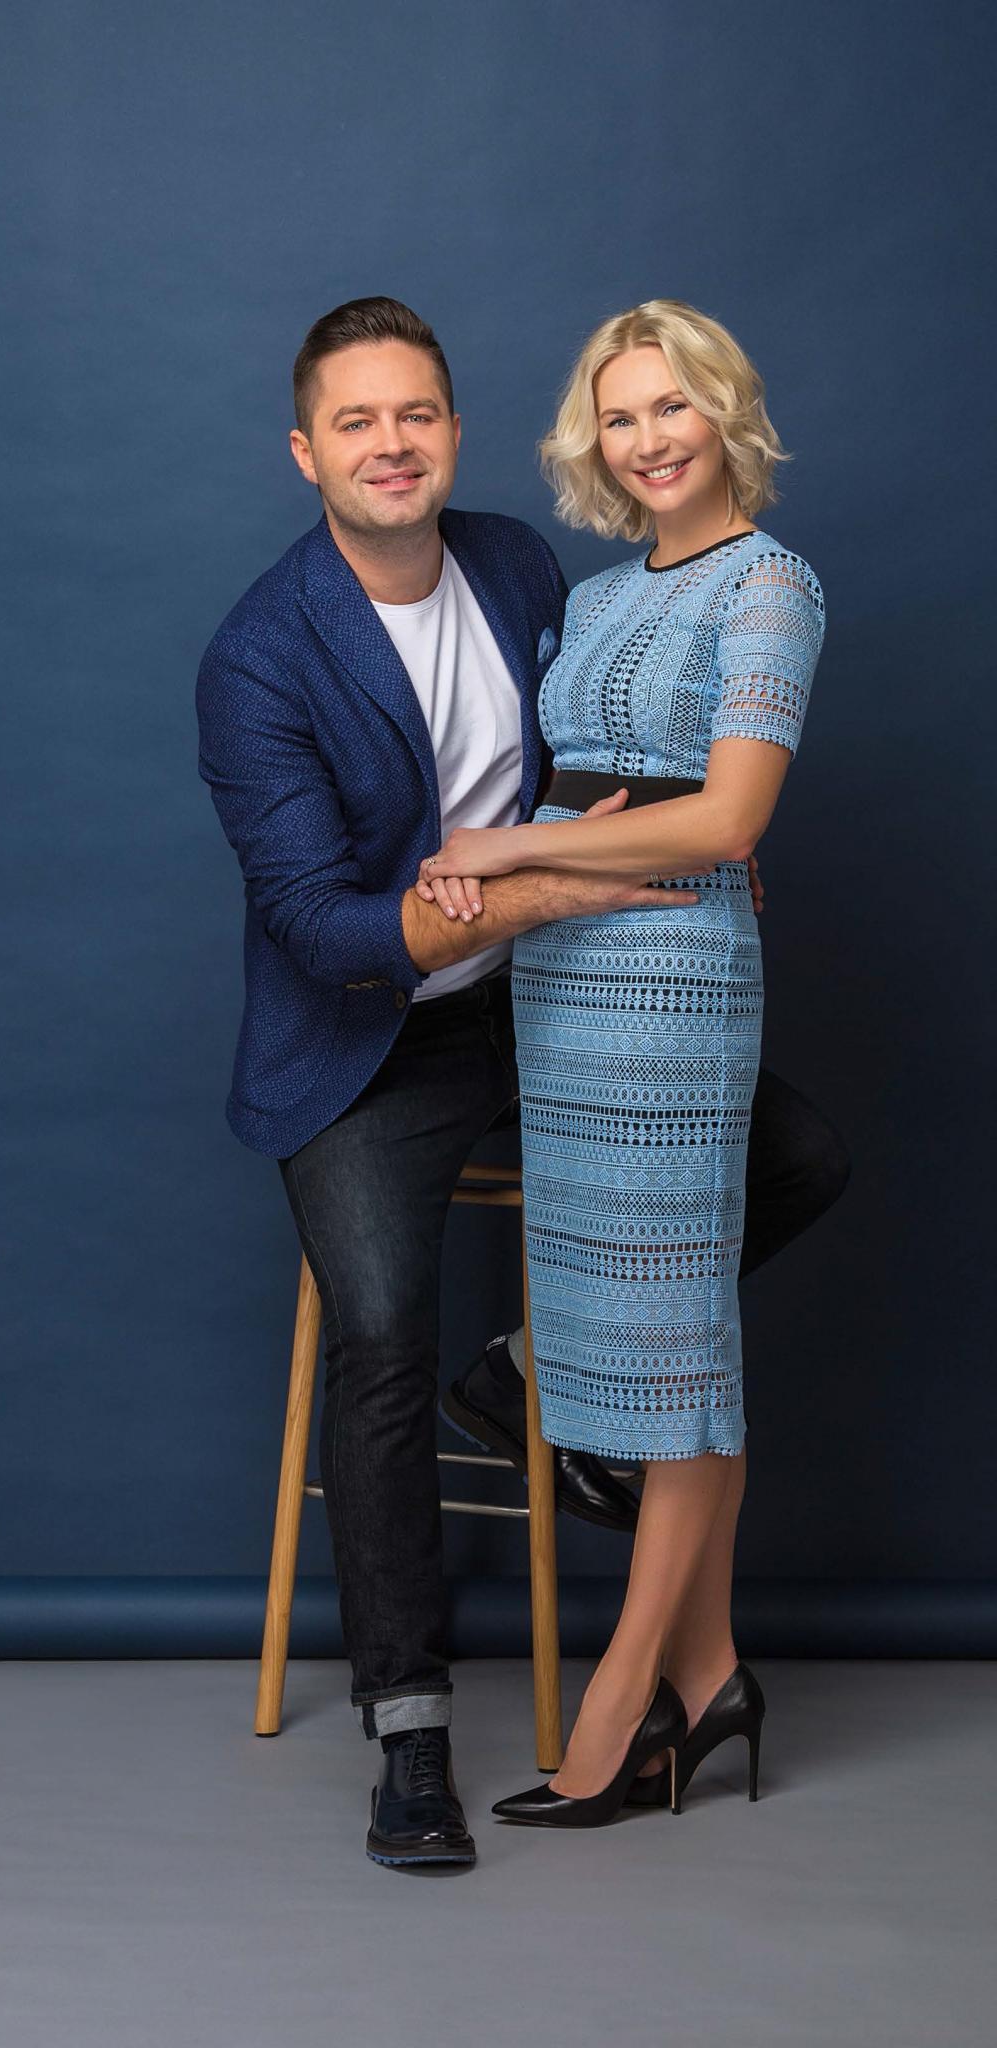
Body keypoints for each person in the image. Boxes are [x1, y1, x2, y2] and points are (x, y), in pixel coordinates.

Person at [195, 297, 847, 1867]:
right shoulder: (259, 658)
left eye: (416, 414)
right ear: (306, 453)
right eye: (356, 423)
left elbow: (644, 769)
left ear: (455, 431)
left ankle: (532, 1381)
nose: (392, 445)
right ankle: (409, 1732)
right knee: (378, 1333)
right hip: (374, 1032)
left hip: (556, 997)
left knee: (794, 1158)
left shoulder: (519, 568)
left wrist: (646, 856)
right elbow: (322, 928)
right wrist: (543, 881)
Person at [418, 299, 826, 1826]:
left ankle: (620, 1699)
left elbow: (727, 818)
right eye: (621, 414)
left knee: (679, 1344)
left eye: (673, 406)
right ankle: (712, 1679)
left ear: (726, 413)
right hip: (562, 979)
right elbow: (584, 791)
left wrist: (508, 847)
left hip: (675, 982)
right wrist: (504, 861)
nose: (649, 439)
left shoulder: (772, 585)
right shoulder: (588, 600)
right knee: (633, 1328)